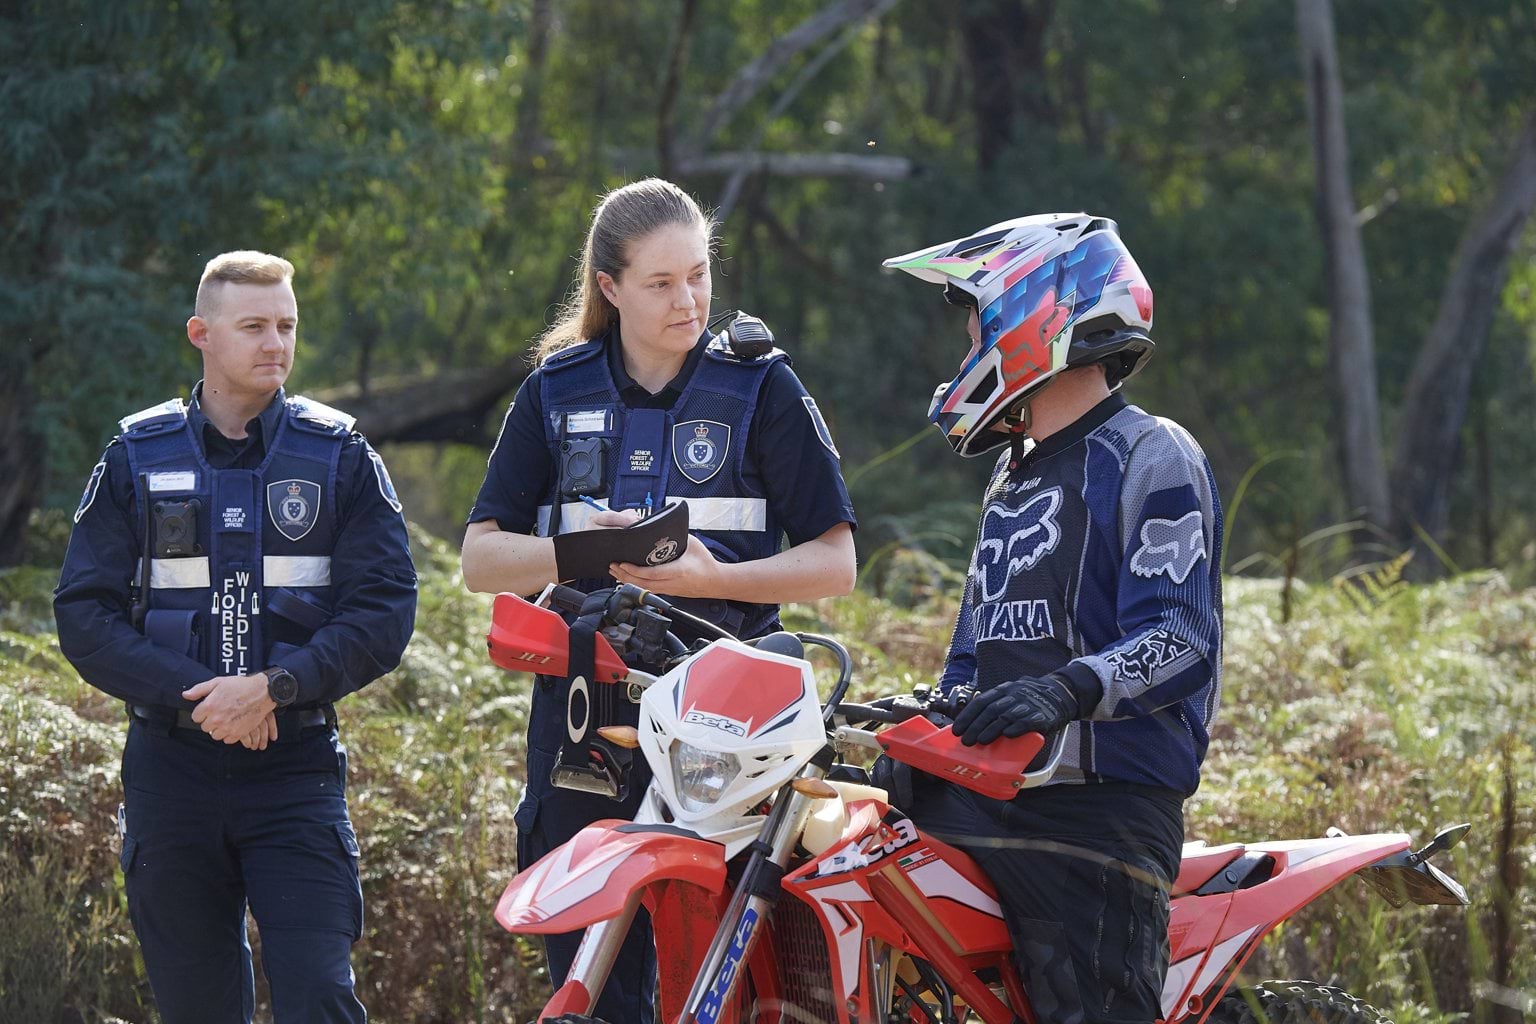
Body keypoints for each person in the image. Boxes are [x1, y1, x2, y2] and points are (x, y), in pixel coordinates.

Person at [462, 177, 857, 1022]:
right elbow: (480, 559)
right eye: (661, 283)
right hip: (582, 712)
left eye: (700, 276)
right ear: (608, 287)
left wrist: (716, 580)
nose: (690, 301)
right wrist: (586, 553)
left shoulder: (762, 388)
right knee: (594, 982)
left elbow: (836, 563)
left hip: (730, 728)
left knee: (721, 986)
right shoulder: (554, 389)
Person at [54, 251, 418, 1024]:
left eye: (286, 325)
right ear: (201, 334)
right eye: (253, 326)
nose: (275, 343)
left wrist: (272, 689)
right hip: (171, 775)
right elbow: (82, 614)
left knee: (319, 994)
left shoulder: (342, 456)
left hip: (295, 773)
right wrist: (202, 698)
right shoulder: (134, 459)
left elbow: (385, 610)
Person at [880, 214, 1223, 1024]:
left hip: (1098, 813)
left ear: (1034, 316)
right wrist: (930, 720)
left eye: (974, 333)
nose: (965, 356)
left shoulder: (1151, 454)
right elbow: (972, 652)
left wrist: (1067, 690)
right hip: (992, 795)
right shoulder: (1011, 478)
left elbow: (1181, 639)